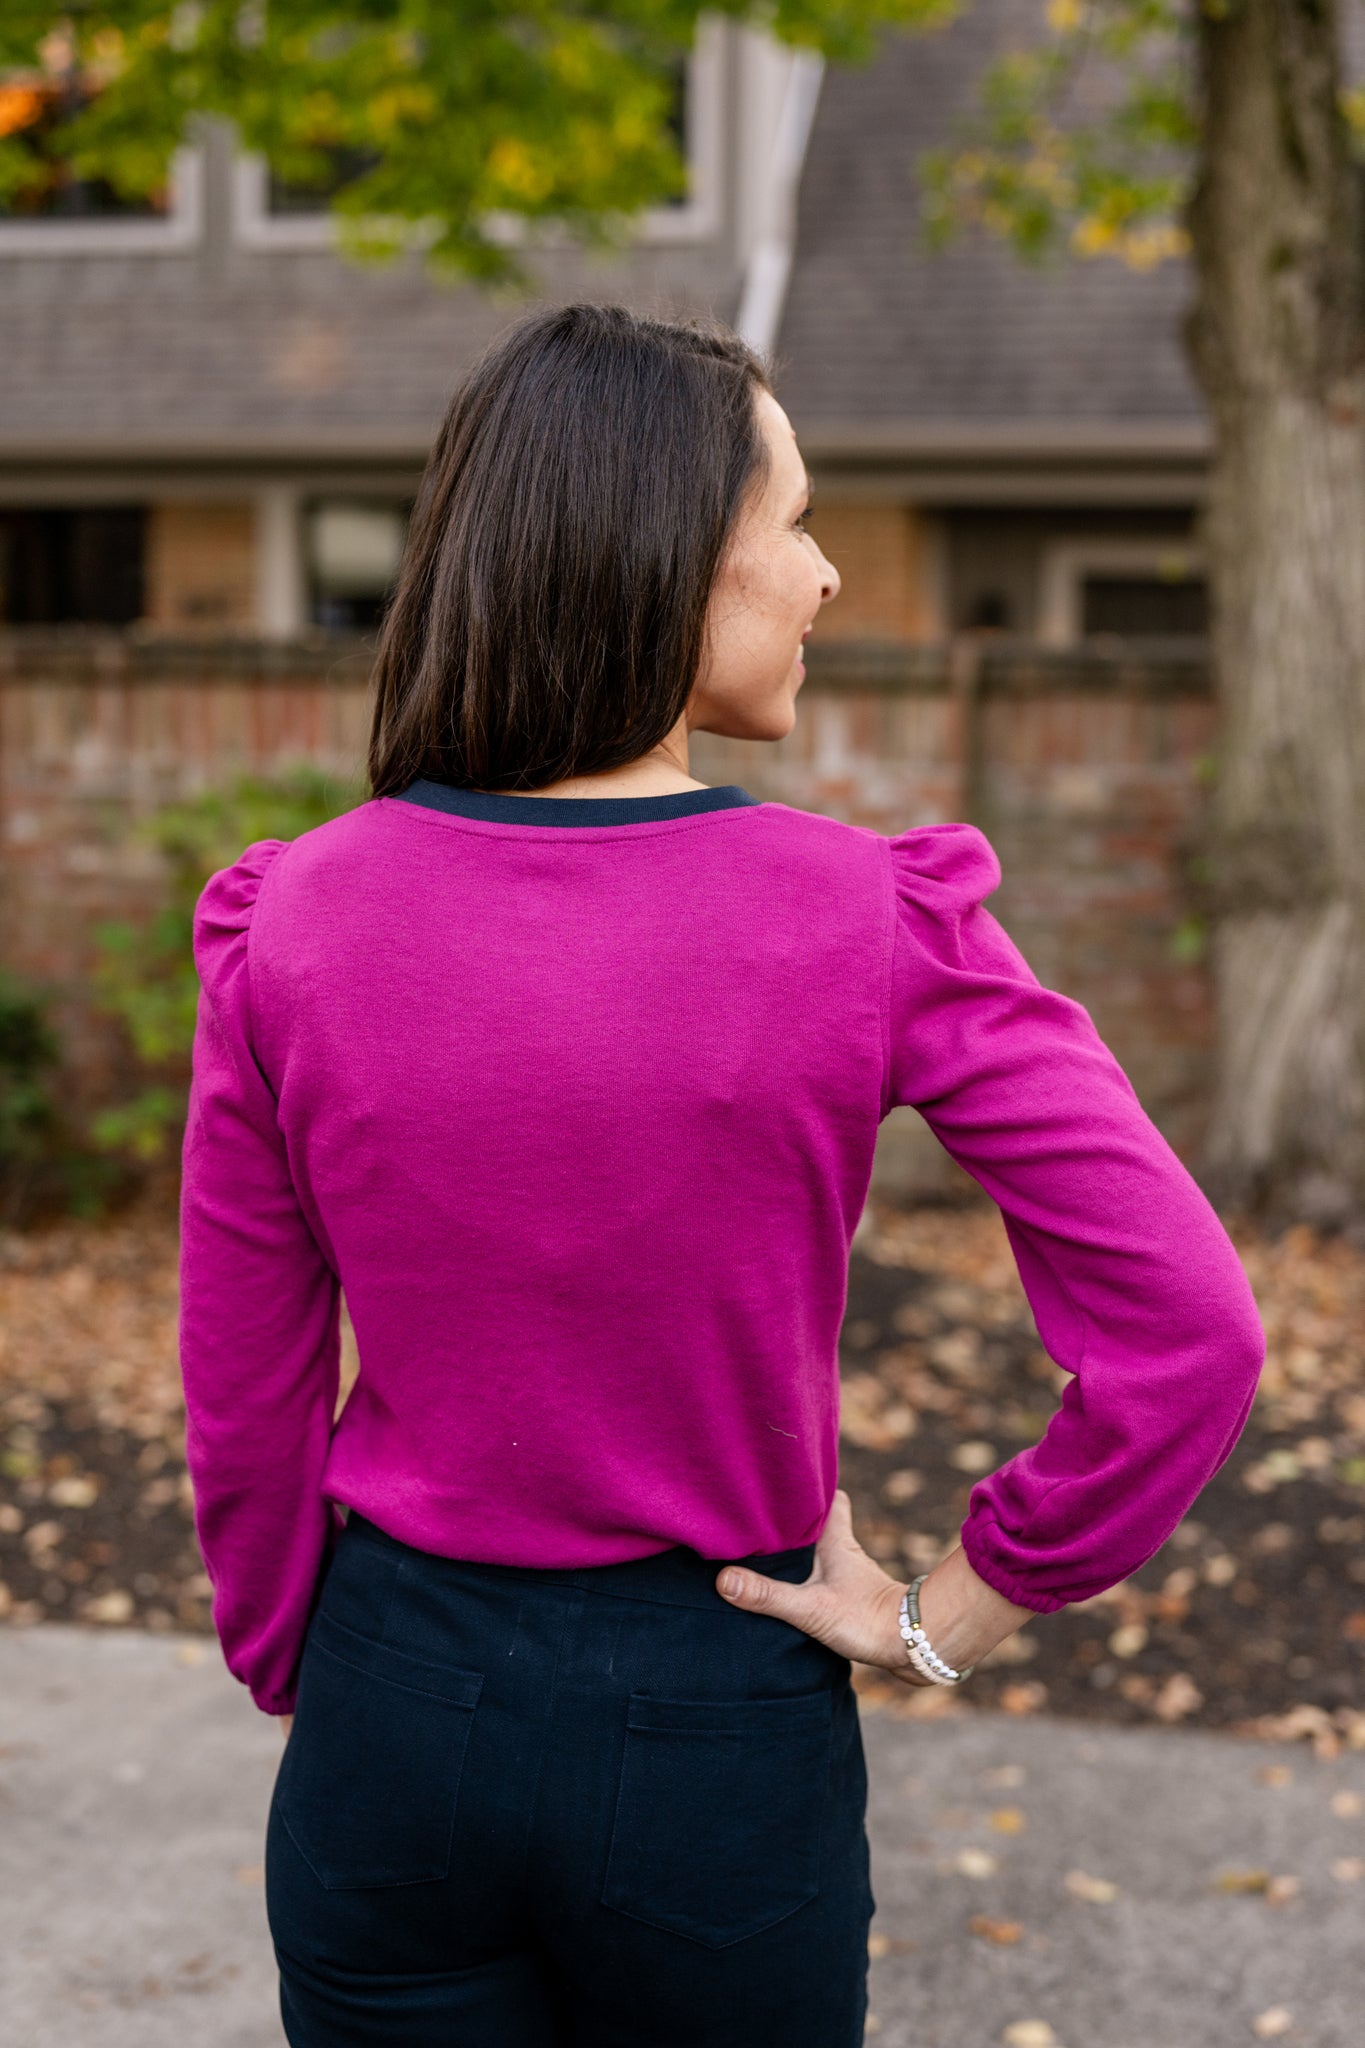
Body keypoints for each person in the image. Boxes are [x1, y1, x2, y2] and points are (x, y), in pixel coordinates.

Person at [178, 302, 1266, 2048]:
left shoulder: (288, 918)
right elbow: (1189, 1331)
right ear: (672, 556)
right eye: (796, 523)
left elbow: (242, 1384)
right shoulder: (873, 920)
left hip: (392, 1706)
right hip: (713, 1716)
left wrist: (302, 1663)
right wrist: (943, 1618)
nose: (826, 576)